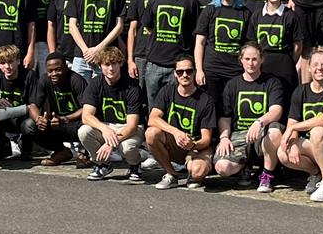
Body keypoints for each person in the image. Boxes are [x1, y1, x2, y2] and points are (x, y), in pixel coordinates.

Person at [263, 46, 323, 200]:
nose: (320, 68)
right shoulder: (300, 92)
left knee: (317, 131)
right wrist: (291, 141)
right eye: (316, 65)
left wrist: (293, 127)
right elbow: (292, 122)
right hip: (311, 146)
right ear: (310, 68)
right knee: (282, 153)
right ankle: (316, 174)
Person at [128, 0, 200, 113]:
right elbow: (147, 26)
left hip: (179, 65)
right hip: (154, 63)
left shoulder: (191, 2)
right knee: (152, 107)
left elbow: (195, 33)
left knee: (176, 107)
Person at [211, 43, 286, 191]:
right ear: (241, 60)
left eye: (254, 59)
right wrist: (224, 137)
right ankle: (243, 167)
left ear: (261, 60)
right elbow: (225, 117)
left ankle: (266, 176)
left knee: (275, 132)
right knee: (222, 168)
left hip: (262, 134)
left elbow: (276, 110)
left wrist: (259, 122)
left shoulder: (272, 82)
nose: (251, 63)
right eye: (247, 59)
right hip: (239, 135)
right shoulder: (232, 85)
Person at [145, 57, 219, 191]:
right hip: (174, 142)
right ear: (175, 74)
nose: (185, 75)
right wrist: (176, 132)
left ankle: (195, 173)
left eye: (189, 71)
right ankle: (171, 174)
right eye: (180, 72)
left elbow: (206, 139)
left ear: (195, 72)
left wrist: (193, 144)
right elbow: (152, 119)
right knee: (151, 133)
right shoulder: (167, 91)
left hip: (196, 146)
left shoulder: (206, 100)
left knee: (197, 171)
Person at [79, 45, 148, 181]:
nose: (111, 68)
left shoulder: (132, 86)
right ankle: (102, 164)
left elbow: (132, 125)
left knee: (127, 147)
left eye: (114, 64)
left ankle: (135, 165)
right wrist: (104, 129)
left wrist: (110, 143)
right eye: (107, 64)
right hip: (106, 126)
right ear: (100, 65)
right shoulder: (95, 83)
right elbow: (86, 116)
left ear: (121, 64)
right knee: (83, 132)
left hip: (128, 128)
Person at [61, 0, 126, 77]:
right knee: (79, 93)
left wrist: (98, 49)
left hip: (105, 55)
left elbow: (119, 26)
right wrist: (86, 50)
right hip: (81, 55)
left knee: (102, 93)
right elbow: (72, 25)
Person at [196, 0, 251, 113]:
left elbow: (247, 45)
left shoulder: (245, 13)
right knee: (210, 106)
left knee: (230, 107)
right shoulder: (210, 10)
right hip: (212, 68)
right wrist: (199, 70)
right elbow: (200, 43)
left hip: (235, 69)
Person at [28, 52, 86, 164]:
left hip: (77, 123)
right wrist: (38, 119)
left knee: (89, 125)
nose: (53, 74)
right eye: (50, 71)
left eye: (58, 69)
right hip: (56, 123)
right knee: (29, 126)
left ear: (66, 68)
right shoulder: (44, 80)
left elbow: (87, 108)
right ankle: (62, 152)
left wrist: (66, 118)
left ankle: (85, 154)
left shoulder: (76, 80)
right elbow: (33, 105)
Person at [249, 0, 302, 92]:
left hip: (284, 65)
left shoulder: (290, 16)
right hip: (262, 65)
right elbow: (252, 43)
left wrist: (288, 61)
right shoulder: (256, 15)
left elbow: (298, 45)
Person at [0, 44, 36, 161]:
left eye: (11, 62)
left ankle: (27, 149)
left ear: (18, 61)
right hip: (1, 118)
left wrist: (16, 111)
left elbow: (34, 105)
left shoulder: (29, 75)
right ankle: (3, 146)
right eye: (2, 63)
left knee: (30, 124)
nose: (7, 67)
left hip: (23, 117)